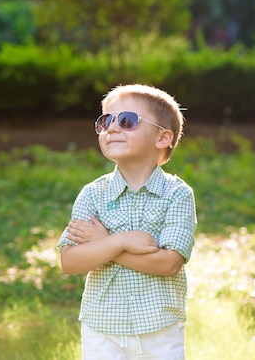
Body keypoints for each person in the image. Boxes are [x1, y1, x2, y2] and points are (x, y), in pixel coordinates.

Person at [57, 84, 197, 359]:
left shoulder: (177, 194)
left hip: (160, 329)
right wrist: (120, 241)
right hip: (102, 328)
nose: (112, 128)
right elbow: (70, 261)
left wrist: (103, 245)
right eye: (106, 121)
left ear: (162, 138)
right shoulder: (93, 194)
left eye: (128, 121)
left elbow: (169, 263)